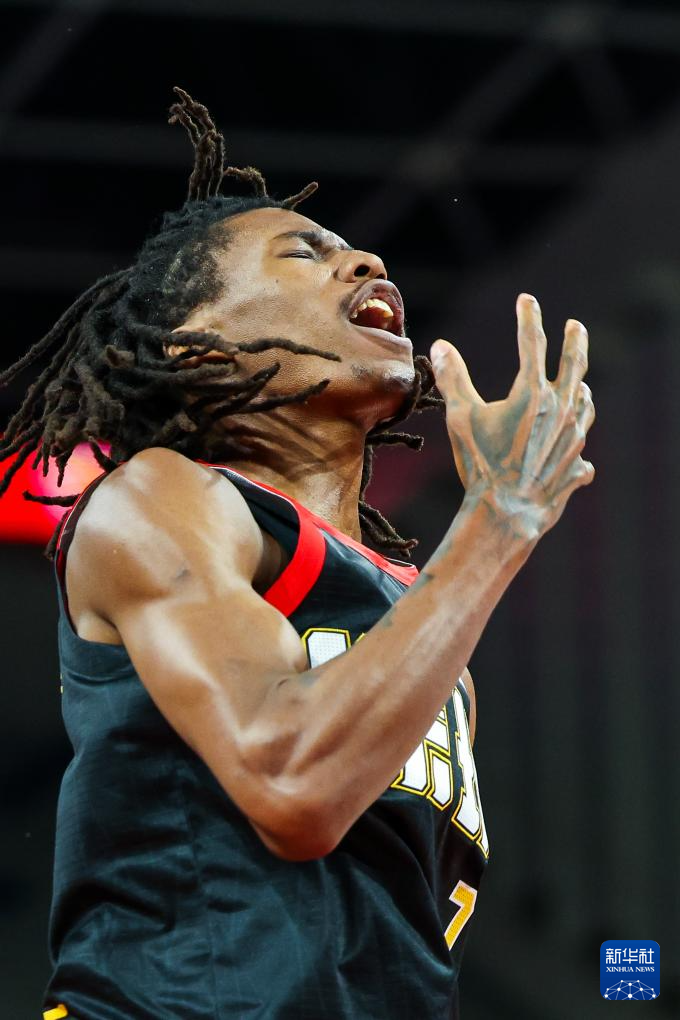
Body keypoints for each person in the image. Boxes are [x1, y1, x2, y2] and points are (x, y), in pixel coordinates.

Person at [0, 89, 594, 1020]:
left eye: (353, 250)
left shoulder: (427, 635)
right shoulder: (163, 499)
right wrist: (499, 519)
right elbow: (290, 785)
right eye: (303, 253)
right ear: (198, 348)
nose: (365, 260)